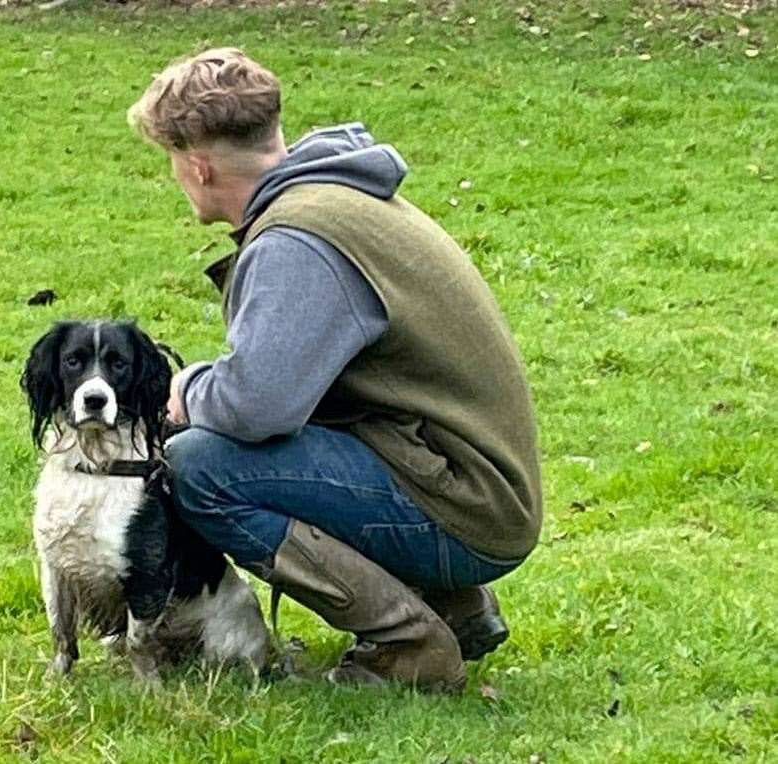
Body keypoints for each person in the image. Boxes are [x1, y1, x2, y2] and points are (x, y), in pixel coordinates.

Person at [127, 48, 543, 692]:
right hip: (466, 476)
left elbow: (258, 407)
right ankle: (453, 605)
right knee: (232, 438)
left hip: (467, 506)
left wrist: (188, 393)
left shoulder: (298, 239)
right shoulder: (336, 193)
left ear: (198, 166)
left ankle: (410, 642)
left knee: (200, 465)